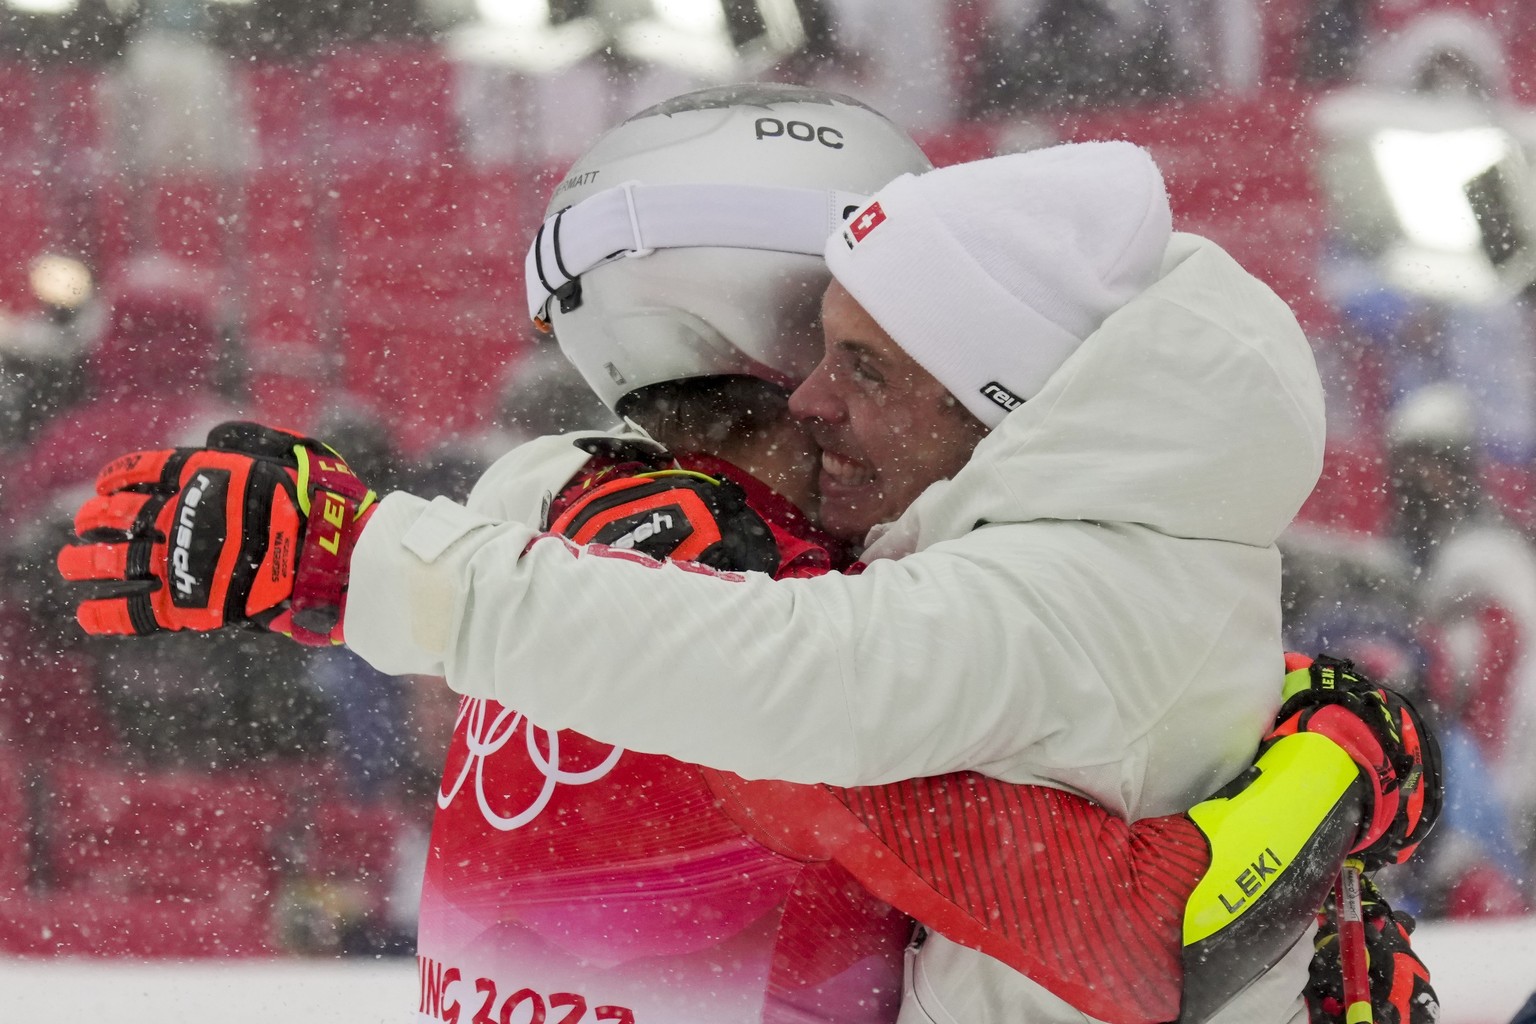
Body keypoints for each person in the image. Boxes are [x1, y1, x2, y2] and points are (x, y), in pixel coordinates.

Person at [57, 94, 1438, 1024]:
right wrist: (1314, 783)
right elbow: (891, 698)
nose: (830, 414)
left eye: (868, 369)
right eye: (820, 364)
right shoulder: (698, 554)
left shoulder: (710, 562)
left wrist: (354, 558)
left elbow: (956, 690)